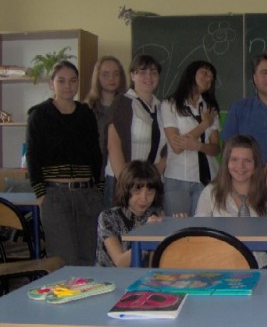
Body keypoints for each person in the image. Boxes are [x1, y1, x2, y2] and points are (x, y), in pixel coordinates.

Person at [26, 60, 103, 266]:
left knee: (89, 258)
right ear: (51, 83)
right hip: (56, 196)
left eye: (73, 80)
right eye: (61, 80)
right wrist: (41, 194)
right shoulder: (39, 114)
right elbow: (33, 155)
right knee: (64, 259)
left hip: (87, 195)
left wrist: (98, 188)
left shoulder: (86, 113)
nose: (68, 85)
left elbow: (95, 154)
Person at [195, 135, 267, 267]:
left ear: (256, 164)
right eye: (234, 159)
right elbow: (199, 231)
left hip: (260, 265)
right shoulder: (210, 192)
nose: (240, 166)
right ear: (226, 162)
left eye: (247, 160)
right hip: (220, 265)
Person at [104, 54, 167, 207]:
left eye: (154, 72)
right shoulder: (123, 102)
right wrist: (127, 183)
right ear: (133, 75)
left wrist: (155, 174)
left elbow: (166, 147)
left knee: (150, 222)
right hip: (123, 182)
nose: (149, 77)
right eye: (142, 72)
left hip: (150, 184)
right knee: (122, 222)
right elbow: (113, 146)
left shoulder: (162, 107)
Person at [161, 60, 221, 216]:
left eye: (211, 77)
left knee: (202, 226)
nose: (208, 78)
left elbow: (216, 148)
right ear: (191, 74)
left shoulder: (210, 108)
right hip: (178, 177)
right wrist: (204, 124)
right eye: (204, 73)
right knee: (177, 227)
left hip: (208, 179)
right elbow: (177, 147)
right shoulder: (170, 105)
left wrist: (199, 146)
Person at [95, 160, 164, 268]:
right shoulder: (108, 217)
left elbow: (154, 265)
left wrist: (175, 225)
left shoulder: (154, 216)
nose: (144, 198)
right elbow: (120, 262)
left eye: (150, 192)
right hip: (109, 277)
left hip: (141, 276)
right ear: (126, 190)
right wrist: (147, 235)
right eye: (137, 191)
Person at [84, 56, 127, 156]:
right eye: (105, 74)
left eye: (116, 74)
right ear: (97, 77)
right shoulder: (87, 109)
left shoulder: (129, 107)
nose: (111, 78)